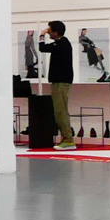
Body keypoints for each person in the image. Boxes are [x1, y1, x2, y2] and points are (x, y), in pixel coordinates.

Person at [37, 20, 77, 151]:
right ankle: (66, 138)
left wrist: (42, 35)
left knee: (61, 111)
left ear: (56, 32)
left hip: (61, 82)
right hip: (58, 81)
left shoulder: (62, 43)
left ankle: (68, 140)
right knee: (59, 110)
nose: (48, 32)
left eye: (50, 30)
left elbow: (43, 48)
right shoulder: (60, 43)